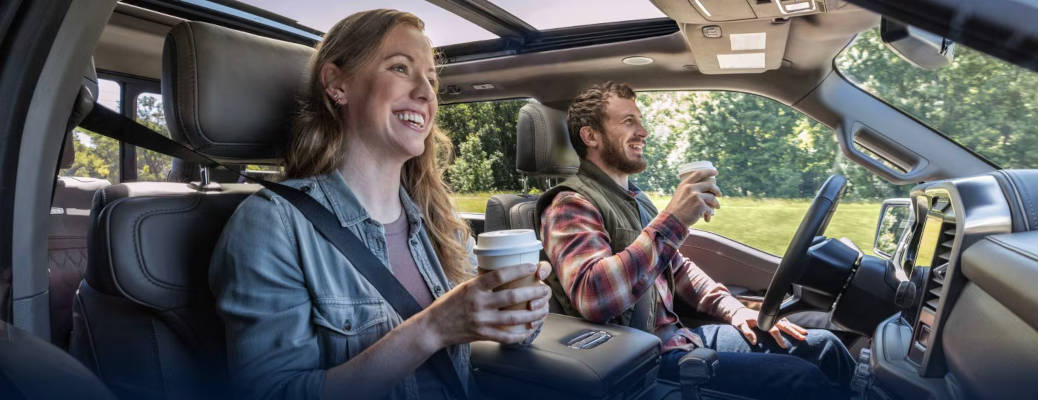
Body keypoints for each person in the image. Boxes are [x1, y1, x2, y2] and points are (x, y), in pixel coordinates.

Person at [209, 10, 552, 400]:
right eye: (400, 68)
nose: (426, 93)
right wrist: (433, 328)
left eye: (431, 80)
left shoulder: (439, 221)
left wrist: (522, 309)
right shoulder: (273, 226)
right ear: (337, 84)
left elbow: (492, 322)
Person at [536, 82, 856, 399]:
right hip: (640, 363)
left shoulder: (636, 200)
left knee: (823, 347)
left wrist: (734, 309)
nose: (643, 132)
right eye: (628, 121)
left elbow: (677, 268)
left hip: (680, 339)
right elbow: (593, 298)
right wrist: (673, 219)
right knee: (799, 378)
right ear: (591, 136)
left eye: (640, 121)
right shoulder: (569, 206)